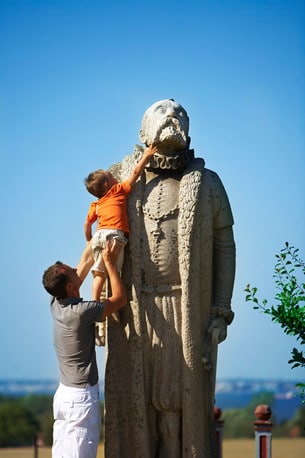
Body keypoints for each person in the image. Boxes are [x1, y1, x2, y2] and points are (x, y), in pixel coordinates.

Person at [104, 99, 236, 457]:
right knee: (138, 400)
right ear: (143, 129)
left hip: (186, 308)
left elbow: (225, 247)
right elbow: (99, 243)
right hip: (134, 310)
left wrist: (220, 310)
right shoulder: (118, 178)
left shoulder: (208, 183)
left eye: (180, 114)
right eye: (162, 111)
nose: (172, 117)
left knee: (179, 403)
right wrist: (99, 304)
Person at [42, 240, 126, 458]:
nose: (75, 269)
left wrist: (96, 238)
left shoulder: (56, 303)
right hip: (80, 399)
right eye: (72, 272)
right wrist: (110, 263)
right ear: (70, 286)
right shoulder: (81, 312)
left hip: (64, 397)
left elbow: (83, 263)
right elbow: (119, 299)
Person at [83, 145, 157, 345]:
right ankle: (112, 308)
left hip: (99, 235)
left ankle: (96, 303)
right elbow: (135, 172)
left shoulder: (96, 204)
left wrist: (89, 239)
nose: (115, 177)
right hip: (114, 235)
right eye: (111, 176)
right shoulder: (117, 191)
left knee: (99, 274)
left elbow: (87, 223)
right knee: (116, 271)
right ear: (108, 183)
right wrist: (147, 156)